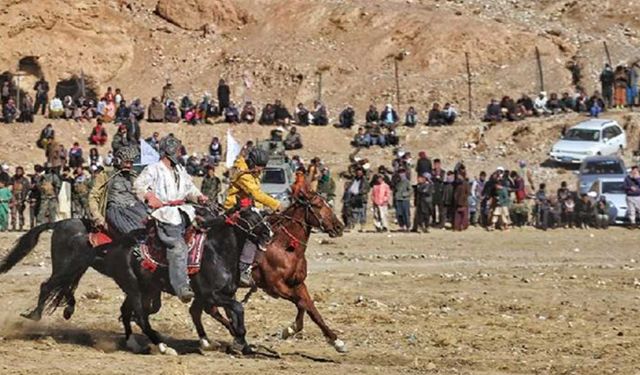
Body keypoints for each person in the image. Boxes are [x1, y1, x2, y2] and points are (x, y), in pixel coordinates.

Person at [134, 136, 208, 302]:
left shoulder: (180, 170)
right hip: (165, 215)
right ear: (168, 152)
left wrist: (199, 197)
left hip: (184, 212)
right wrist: (149, 196)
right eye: (177, 150)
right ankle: (181, 286)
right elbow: (138, 185)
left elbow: (190, 189)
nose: (179, 153)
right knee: (178, 246)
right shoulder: (154, 169)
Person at [223, 148, 280, 286]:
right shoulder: (243, 174)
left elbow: (257, 195)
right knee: (258, 231)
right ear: (253, 163)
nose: (261, 170)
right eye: (260, 166)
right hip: (235, 209)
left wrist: (263, 210)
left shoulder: (252, 173)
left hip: (248, 208)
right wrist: (276, 205)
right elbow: (256, 194)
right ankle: (244, 268)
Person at [89, 146, 147, 234]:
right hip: (115, 210)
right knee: (132, 232)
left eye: (131, 163)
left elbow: (140, 192)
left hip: (135, 208)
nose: (129, 165)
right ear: (118, 161)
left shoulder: (133, 176)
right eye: (126, 162)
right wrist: (97, 217)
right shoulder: (106, 174)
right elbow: (94, 196)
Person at [347, 168, 369, 232]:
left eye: (360, 173)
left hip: (362, 198)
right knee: (354, 212)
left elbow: (367, 189)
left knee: (362, 213)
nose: (359, 174)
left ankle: (363, 226)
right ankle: (354, 226)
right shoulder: (353, 180)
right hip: (354, 198)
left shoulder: (365, 180)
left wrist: (359, 192)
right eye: (357, 173)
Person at [9, 166, 30, 231]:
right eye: (17, 171)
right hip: (13, 197)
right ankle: (13, 226)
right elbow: (10, 187)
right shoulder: (13, 178)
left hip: (21, 198)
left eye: (20, 171)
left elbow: (27, 189)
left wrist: (24, 198)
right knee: (13, 213)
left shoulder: (25, 180)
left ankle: (21, 226)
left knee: (21, 213)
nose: (18, 172)